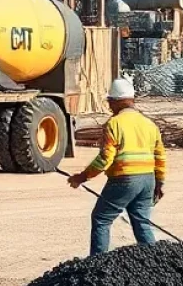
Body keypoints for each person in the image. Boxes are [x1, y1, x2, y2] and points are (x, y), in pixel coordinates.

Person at [68, 76, 167, 256]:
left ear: (116, 101)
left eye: (110, 102)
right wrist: (159, 183)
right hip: (148, 180)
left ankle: (97, 263)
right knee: (142, 222)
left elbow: (105, 159)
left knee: (101, 218)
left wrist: (82, 177)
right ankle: (155, 262)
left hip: (124, 179)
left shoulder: (114, 124)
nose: (109, 107)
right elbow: (160, 156)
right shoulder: (149, 124)